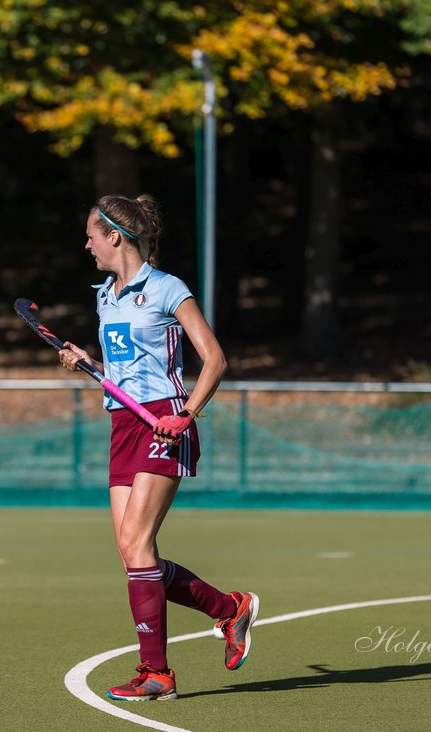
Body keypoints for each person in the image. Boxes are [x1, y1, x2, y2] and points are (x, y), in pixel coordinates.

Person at [58, 193, 259, 702]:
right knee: (133, 555)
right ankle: (228, 610)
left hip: (165, 421)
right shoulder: (105, 295)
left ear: (115, 237)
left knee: (139, 547)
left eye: (91, 236)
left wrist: (185, 413)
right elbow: (122, 369)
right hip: (122, 425)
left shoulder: (169, 289)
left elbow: (214, 360)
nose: (87, 245)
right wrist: (89, 363)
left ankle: (158, 673)